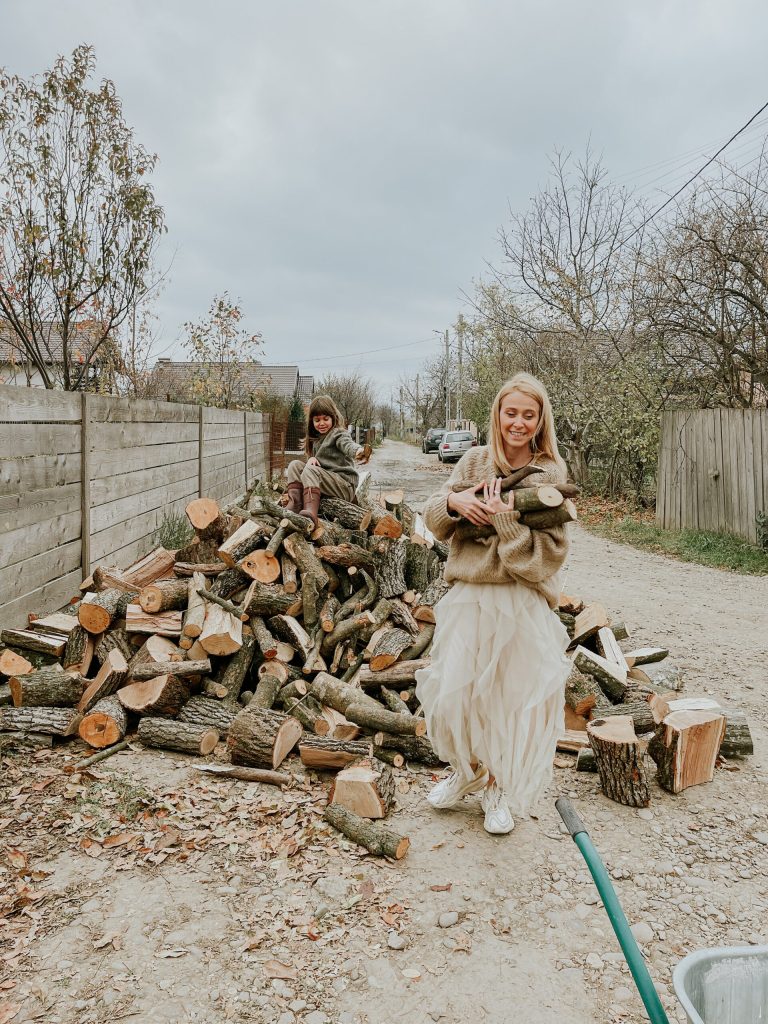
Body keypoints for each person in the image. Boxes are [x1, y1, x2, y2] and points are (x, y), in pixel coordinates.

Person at [415, 373, 571, 835]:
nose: (518, 423)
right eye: (511, 413)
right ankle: (466, 772)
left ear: (540, 420)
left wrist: (506, 526)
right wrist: (456, 503)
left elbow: (548, 558)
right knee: (459, 696)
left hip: (520, 602)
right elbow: (432, 516)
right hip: (471, 598)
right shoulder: (474, 460)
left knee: (509, 698)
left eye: (528, 414)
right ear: (497, 415)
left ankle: (496, 788)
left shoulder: (550, 475)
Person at [284, 395, 370, 526]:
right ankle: (295, 504)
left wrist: (359, 452)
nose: (322, 423)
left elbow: (348, 445)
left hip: (344, 485)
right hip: (326, 482)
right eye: (317, 420)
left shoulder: (338, 433)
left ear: (333, 417)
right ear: (312, 422)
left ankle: (310, 512)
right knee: (294, 465)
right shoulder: (315, 439)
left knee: (310, 470)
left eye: (326, 419)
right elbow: (313, 466)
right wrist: (311, 458)